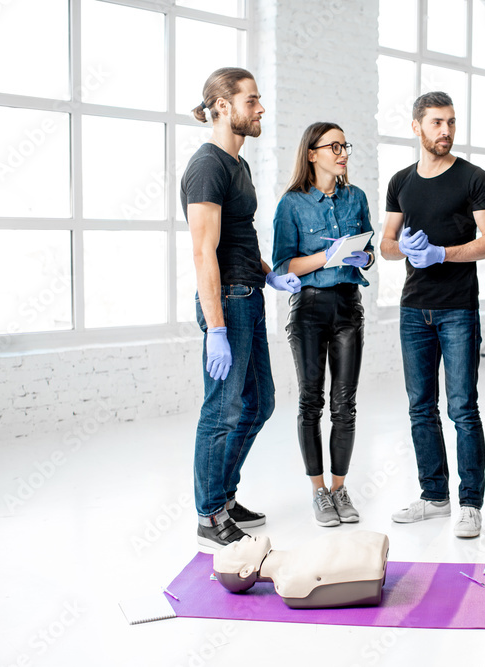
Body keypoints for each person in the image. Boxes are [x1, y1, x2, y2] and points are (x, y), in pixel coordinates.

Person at [181, 67, 302, 550]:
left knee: (259, 403)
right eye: (251, 100)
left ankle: (224, 497)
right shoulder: (207, 165)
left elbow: (238, 239)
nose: (260, 109)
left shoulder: (238, 165)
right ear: (223, 105)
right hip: (226, 304)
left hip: (247, 295)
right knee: (223, 409)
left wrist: (268, 272)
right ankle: (209, 515)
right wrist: (215, 328)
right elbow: (203, 251)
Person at [380, 91, 485, 538]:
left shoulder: (473, 178)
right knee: (420, 407)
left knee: (463, 408)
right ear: (416, 127)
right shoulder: (401, 181)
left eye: (451, 122)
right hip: (413, 309)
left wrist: (441, 253)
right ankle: (434, 497)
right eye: (436, 123)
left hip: (457, 309)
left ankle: (470, 503)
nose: (446, 131)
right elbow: (386, 245)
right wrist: (404, 250)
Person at [272, 122, 375, 528]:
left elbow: (368, 254)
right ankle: (318, 491)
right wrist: (326, 257)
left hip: (348, 307)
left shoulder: (356, 198)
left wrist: (359, 258)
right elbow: (283, 264)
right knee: (310, 402)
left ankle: (339, 489)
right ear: (312, 153)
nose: (342, 152)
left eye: (345, 145)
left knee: (345, 405)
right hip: (309, 309)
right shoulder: (292, 204)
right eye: (334, 146)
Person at [214, 531, 390, 608]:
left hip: (371, 548)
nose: (245, 538)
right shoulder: (290, 583)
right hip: (370, 559)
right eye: (237, 547)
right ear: (246, 571)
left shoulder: (295, 557)